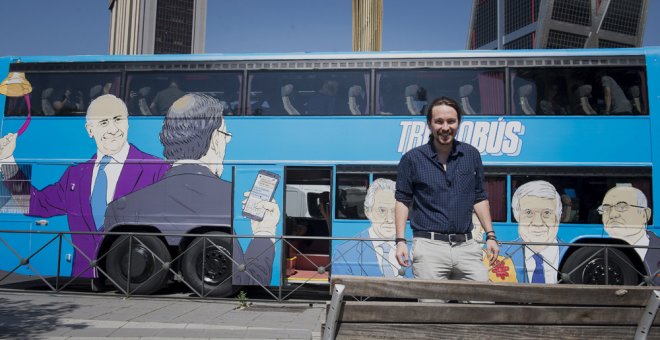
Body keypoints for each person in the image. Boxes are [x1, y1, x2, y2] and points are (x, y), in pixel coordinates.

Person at [103, 93, 280, 286]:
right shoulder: (230, 199)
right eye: (225, 136)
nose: (227, 142)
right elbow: (247, 279)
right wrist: (265, 232)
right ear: (214, 139)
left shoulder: (121, 206)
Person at [0, 94, 169, 278]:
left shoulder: (156, 168)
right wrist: (7, 161)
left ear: (128, 123)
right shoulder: (75, 175)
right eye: (103, 123)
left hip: (132, 273)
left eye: (118, 120)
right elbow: (35, 204)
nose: (113, 129)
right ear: (90, 129)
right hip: (84, 275)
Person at [394, 96, 499, 281]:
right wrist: (400, 241)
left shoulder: (471, 155)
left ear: (459, 123)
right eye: (439, 121)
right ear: (429, 124)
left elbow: (479, 197)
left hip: (467, 246)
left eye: (451, 121)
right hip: (429, 248)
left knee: (482, 304)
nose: (445, 127)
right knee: (433, 308)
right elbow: (403, 200)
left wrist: (491, 235)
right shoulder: (412, 159)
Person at [334, 178, 409, 277]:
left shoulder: (416, 249)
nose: (390, 220)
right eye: (382, 210)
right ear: (368, 212)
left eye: (395, 211)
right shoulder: (344, 252)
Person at [503, 180, 566, 283]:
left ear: (558, 217)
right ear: (517, 216)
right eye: (528, 212)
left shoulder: (574, 255)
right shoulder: (501, 255)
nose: (538, 223)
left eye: (546, 213)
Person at [599, 185, 657, 280]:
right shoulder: (600, 251)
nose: (612, 215)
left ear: (645, 214)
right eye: (606, 208)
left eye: (622, 207)